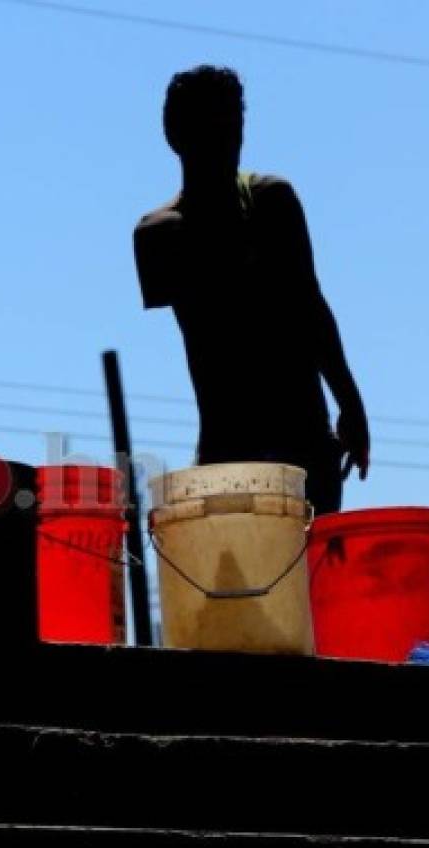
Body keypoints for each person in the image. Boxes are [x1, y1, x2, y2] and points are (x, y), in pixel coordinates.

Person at [133, 65, 369, 514]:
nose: (226, 142)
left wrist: (351, 407)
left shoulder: (271, 202)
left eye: (232, 126)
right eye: (211, 129)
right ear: (176, 137)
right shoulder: (159, 236)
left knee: (304, 578)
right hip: (227, 454)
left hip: (303, 449)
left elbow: (311, 308)